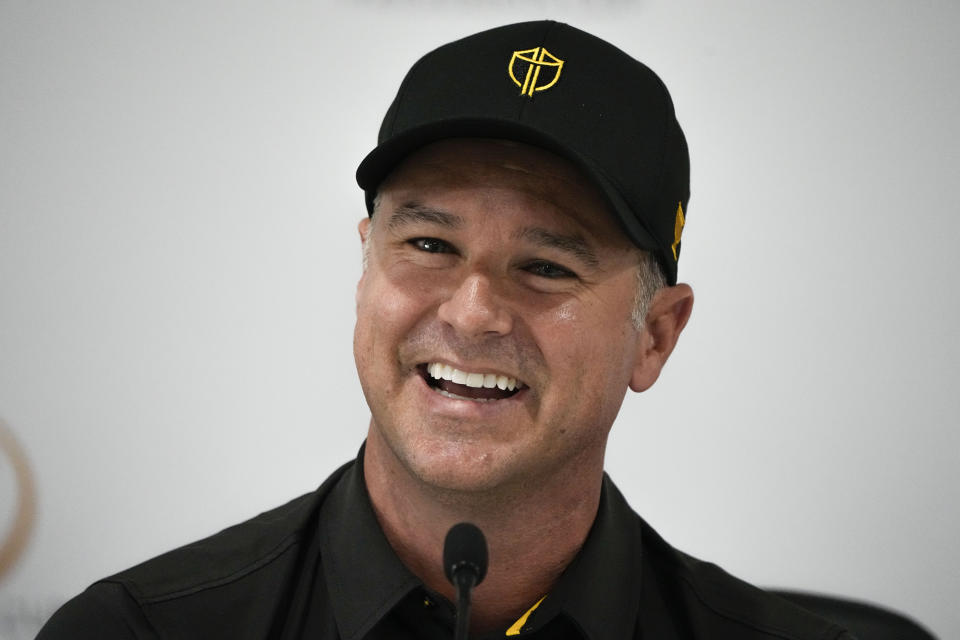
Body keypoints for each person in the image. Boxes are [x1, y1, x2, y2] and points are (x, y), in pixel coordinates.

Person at [38, 20, 853, 640]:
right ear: (365, 268)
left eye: (546, 267)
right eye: (429, 245)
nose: (470, 312)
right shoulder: (135, 630)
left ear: (656, 338)